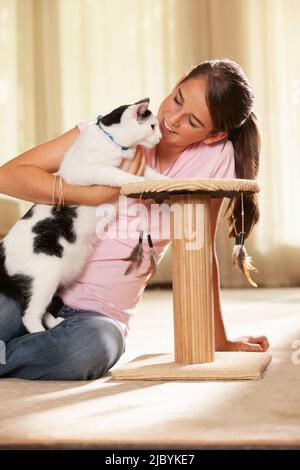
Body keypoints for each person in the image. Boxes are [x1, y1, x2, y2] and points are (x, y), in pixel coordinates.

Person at [0, 59, 269, 381]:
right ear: (178, 81)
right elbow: (9, 177)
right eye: (177, 99)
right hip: (26, 278)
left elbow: (200, 248)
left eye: (192, 121)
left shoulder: (214, 159)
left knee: (87, 349)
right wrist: (97, 195)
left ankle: (15, 351)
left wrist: (219, 341)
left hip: (97, 312)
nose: (171, 119)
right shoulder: (113, 132)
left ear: (214, 136)